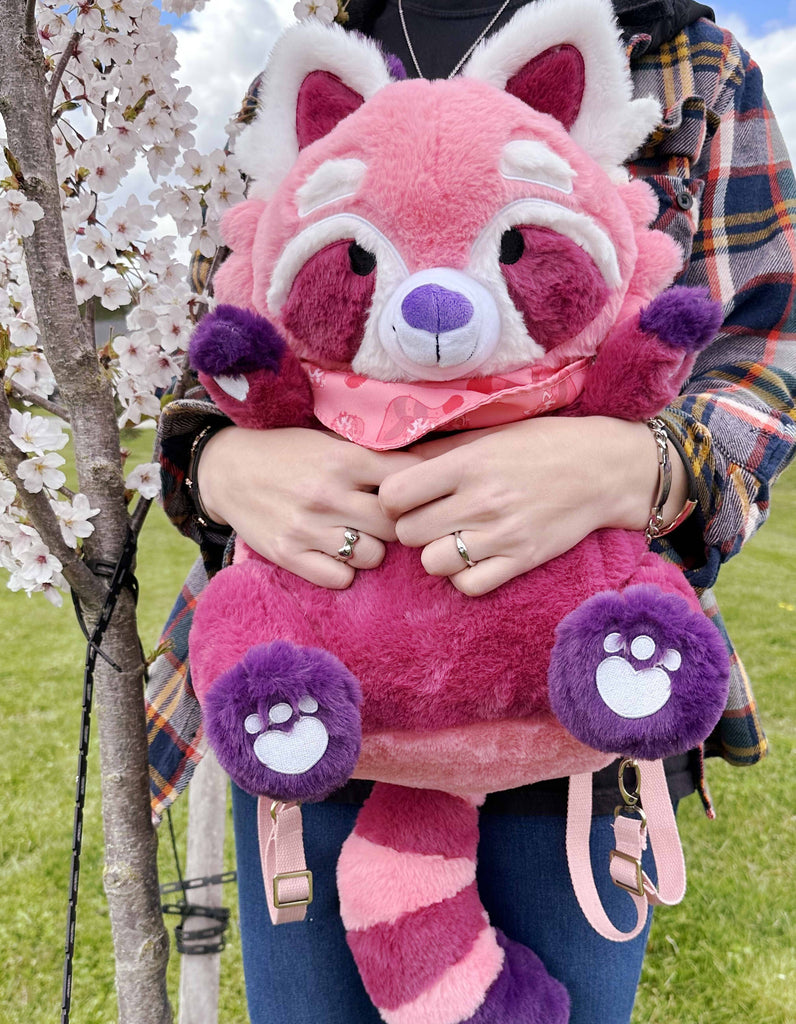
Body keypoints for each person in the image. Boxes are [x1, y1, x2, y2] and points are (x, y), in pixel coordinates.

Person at [149, 1, 796, 1021]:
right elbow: (217, 328)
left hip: (568, 699)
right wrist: (221, 459)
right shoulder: (305, 64)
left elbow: (764, 341)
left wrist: (641, 463)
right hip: (314, 698)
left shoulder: (687, 62)